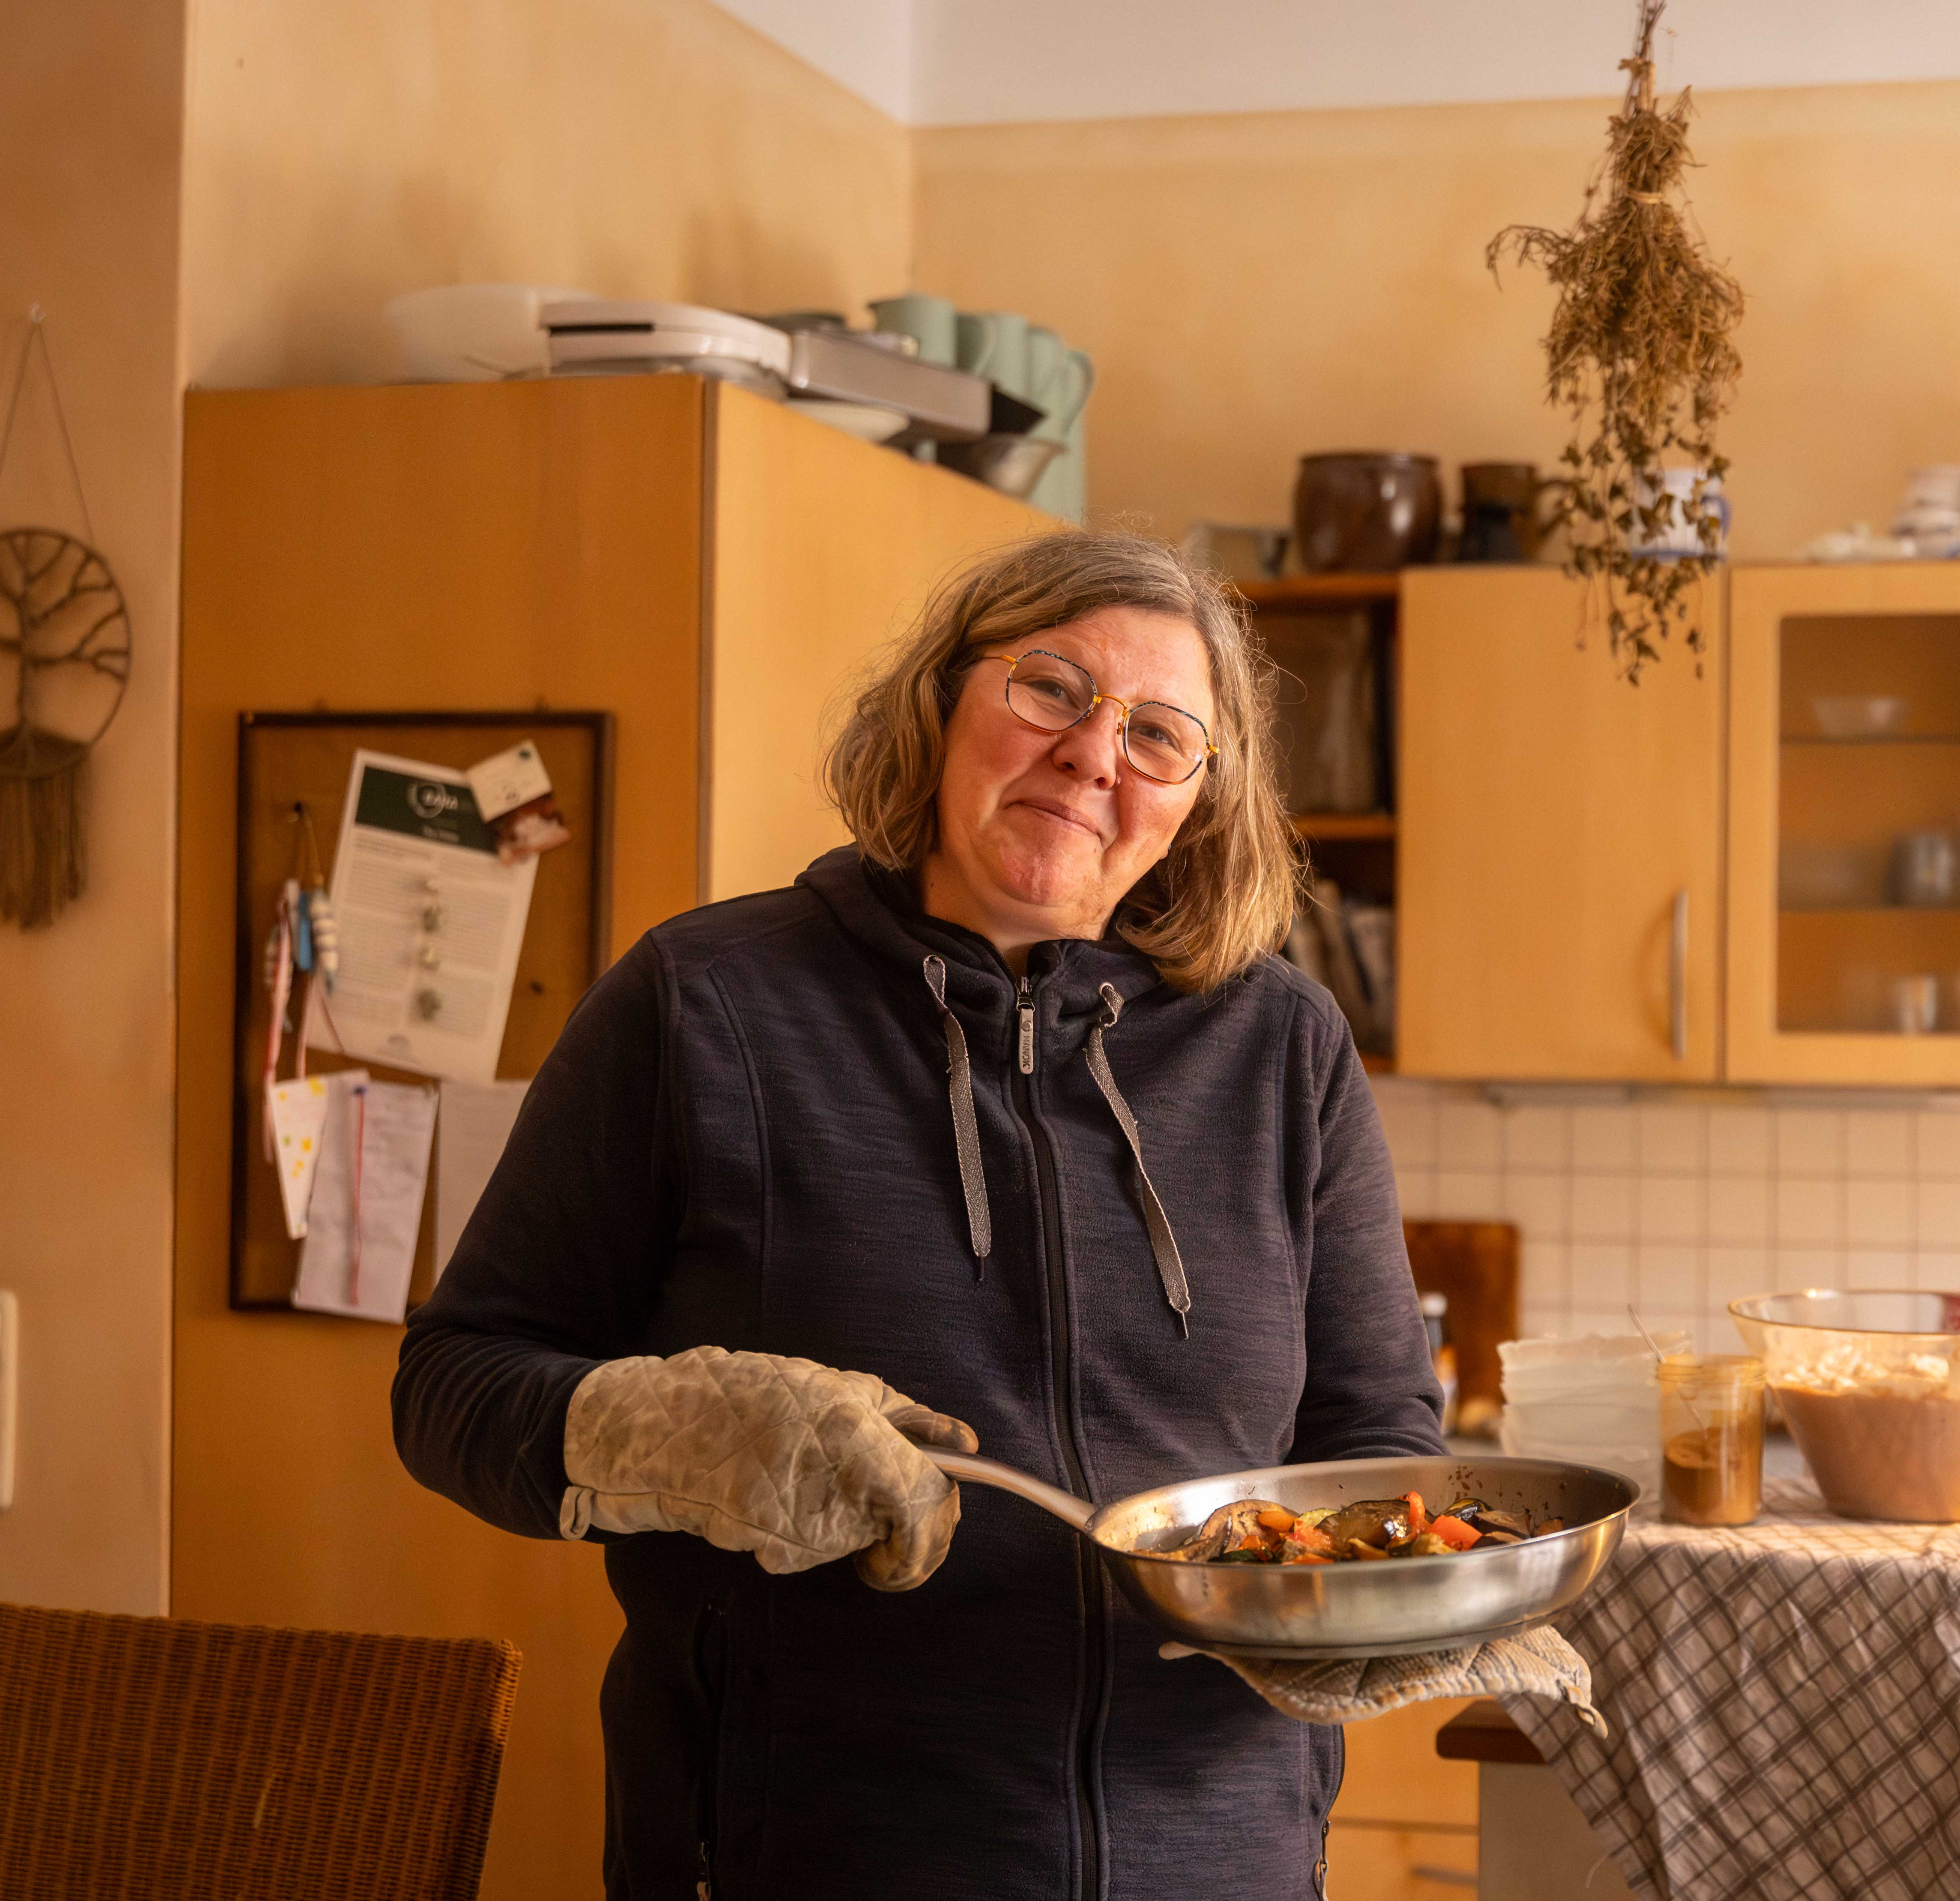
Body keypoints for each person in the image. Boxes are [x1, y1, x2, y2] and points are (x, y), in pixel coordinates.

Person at [394, 530, 1444, 1899]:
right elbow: (455, 1384)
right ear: (945, 701)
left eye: (1159, 733)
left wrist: (1371, 1596)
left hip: (1221, 1854)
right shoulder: (704, 1003)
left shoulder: (1283, 1049)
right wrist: (664, 1428)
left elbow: (1375, 1444)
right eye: (1052, 689)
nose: (1091, 753)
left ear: (1198, 799)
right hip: (805, 1854)